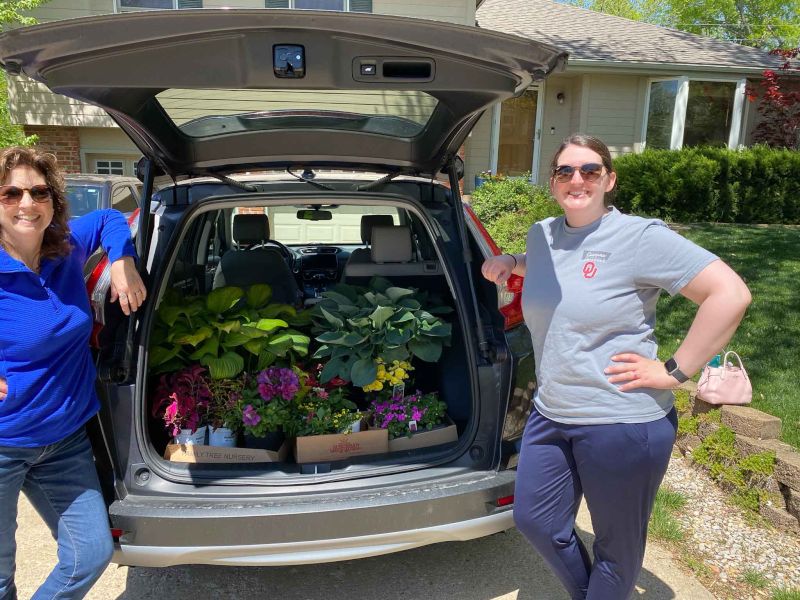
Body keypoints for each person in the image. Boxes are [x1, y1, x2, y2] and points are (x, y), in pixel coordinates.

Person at [481, 134, 751, 600]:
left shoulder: (639, 237)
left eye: (589, 170)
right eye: (565, 171)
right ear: (552, 183)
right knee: (535, 520)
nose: (577, 179)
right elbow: (559, 266)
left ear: (609, 179)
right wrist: (514, 262)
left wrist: (673, 370)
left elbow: (730, 293)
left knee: (616, 547)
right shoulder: (542, 234)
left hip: (622, 421)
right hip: (552, 413)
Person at [0, 146, 147, 599]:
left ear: (53, 200)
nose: (28, 203)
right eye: (10, 193)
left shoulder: (65, 246)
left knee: (90, 553)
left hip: (65, 441)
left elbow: (107, 217)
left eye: (38, 191)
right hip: (4, 444)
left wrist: (121, 261)